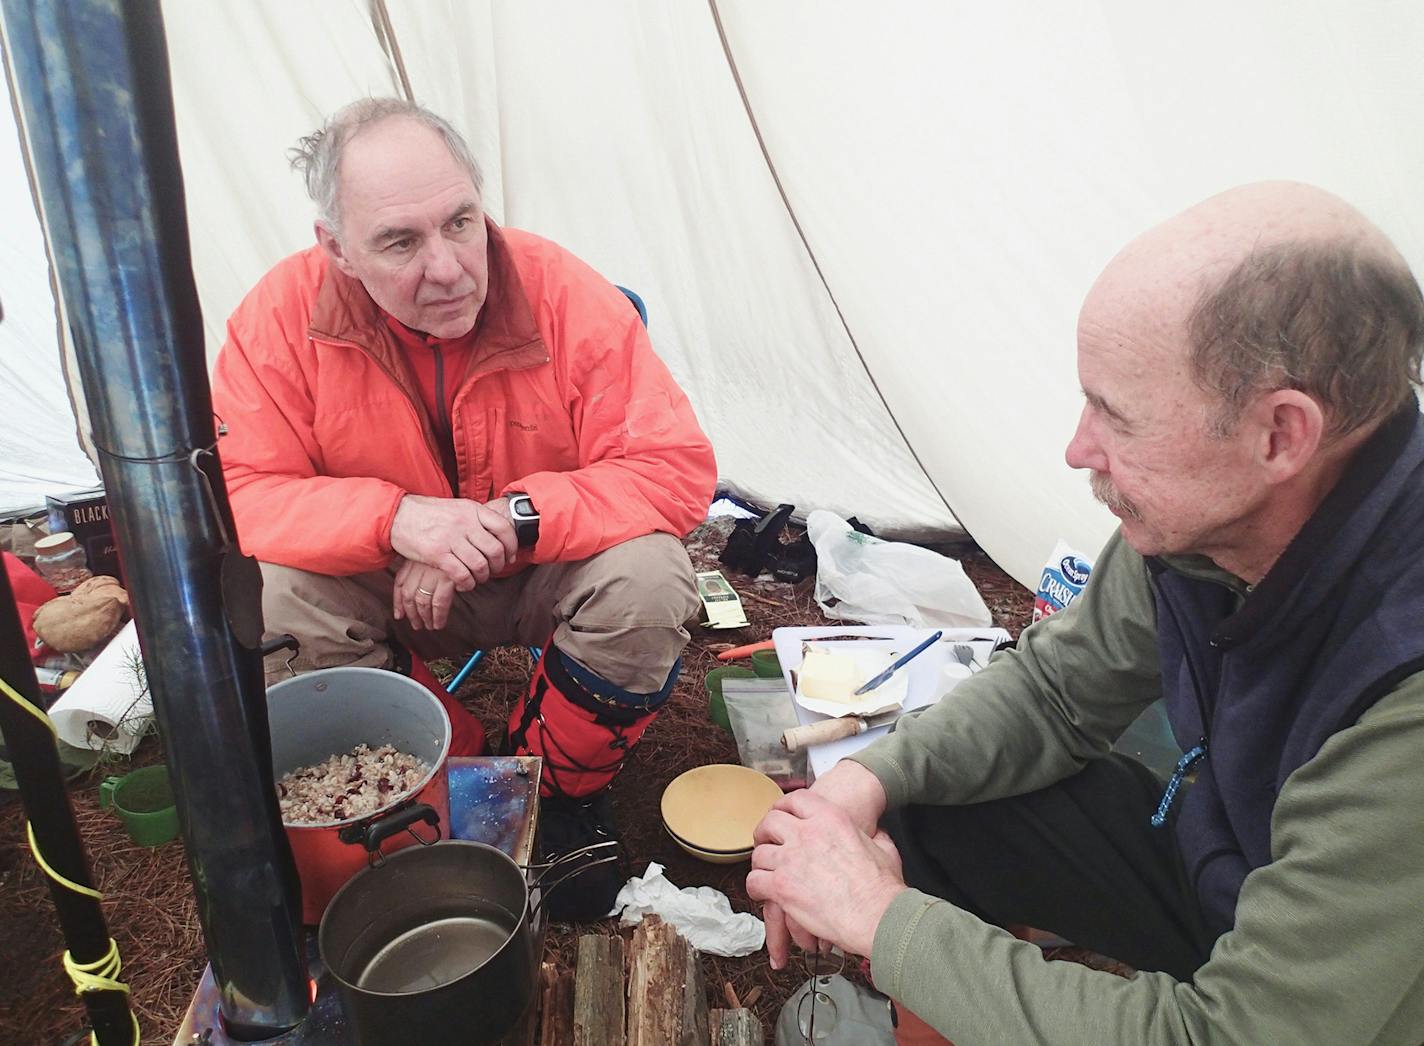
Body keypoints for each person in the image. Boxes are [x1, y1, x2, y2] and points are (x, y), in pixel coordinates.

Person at [747, 182, 1424, 1044]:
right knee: (923, 798)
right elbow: (1057, 692)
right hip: (1227, 865)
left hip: (1346, 1005)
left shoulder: (1404, 693)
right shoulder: (1216, 519)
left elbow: (1232, 1034)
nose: (1077, 449)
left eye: (1117, 414)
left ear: (1281, 435)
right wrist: (856, 787)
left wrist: (882, 922)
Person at [211, 98, 716, 788]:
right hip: (389, 584)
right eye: (400, 241)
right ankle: (440, 775)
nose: (447, 269)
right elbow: (236, 493)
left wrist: (505, 522)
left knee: (649, 579)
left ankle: (552, 786)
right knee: (270, 597)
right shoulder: (278, 319)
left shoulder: (566, 294)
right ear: (338, 249)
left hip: (543, 568)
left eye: (460, 222)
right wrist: (397, 523)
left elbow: (673, 468)